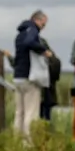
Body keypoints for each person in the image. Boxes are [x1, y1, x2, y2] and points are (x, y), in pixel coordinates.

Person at [12, 10, 52, 139]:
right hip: (29, 77)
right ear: (37, 20)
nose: (43, 28)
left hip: (18, 77)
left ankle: (16, 141)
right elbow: (29, 42)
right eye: (43, 24)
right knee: (31, 112)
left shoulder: (19, 35)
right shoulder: (32, 29)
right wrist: (44, 51)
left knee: (19, 112)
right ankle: (28, 143)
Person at [3, 35, 61, 122]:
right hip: (48, 94)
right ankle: (44, 133)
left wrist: (9, 57)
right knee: (45, 117)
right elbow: (56, 73)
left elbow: (17, 65)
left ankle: (37, 133)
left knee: (36, 115)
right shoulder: (53, 60)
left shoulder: (36, 60)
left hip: (42, 92)